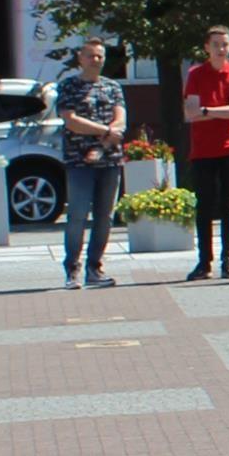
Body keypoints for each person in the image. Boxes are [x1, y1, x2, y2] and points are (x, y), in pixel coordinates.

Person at [54, 40, 128, 288]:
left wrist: (103, 144)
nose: (95, 60)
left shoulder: (113, 87)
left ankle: (94, 267)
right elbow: (71, 121)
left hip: (110, 161)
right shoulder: (68, 86)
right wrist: (106, 130)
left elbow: (121, 121)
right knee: (76, 215)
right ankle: (72, 269)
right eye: (90, 56)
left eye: (99, 56)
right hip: (79, 161)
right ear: (80, 57)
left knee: (104, 217)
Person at [180, 26, 229, 282]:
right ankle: (204, 262)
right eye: (216, 44)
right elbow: (190, 113)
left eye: (225, 44)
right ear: (206, 47)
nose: (221, 49)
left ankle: (227, 260)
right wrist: (216, 111)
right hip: (203, 149)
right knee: (205, 206)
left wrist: (206, 110)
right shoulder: (196, 74)